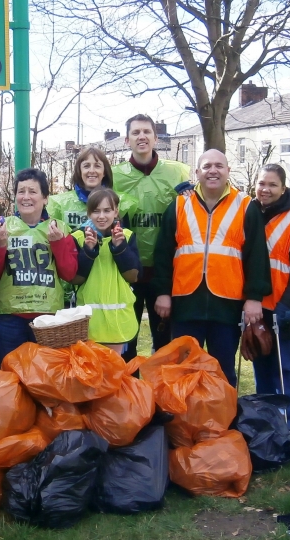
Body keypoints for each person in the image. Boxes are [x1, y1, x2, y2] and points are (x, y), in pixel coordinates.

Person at [152, 149, 271, 386]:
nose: (213, 171)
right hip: (185, 302)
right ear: (197, 173)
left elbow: (257, 254)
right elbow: (163, 253)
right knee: (184, 369)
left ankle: (222, 421)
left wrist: (254, 297)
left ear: (228, 171)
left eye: (219, 166)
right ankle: (183, 422)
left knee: (222, 369)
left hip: (227, 302)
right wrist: (162, 292)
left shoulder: (245, 206)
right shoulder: (178, 205)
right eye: (206, 166)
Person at [112, 114, 191, 360]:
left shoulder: (177, 172)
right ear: (127, 140)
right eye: (135, 132)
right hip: (127, 270)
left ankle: (163, 396)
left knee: (166, 343)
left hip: (165, 270)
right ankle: (129, 394)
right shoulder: (114, 176)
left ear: (156, 138)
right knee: (126, 340)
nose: (141, 136)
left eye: (146, 131)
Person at [0, 168, 78, 367]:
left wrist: (58, 244)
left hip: (48, 319)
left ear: (45, 198)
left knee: (46, 378)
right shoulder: (1, 227)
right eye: (21, 191)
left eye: (33, 191)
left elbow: (70, 274)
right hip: (10, 318)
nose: (26, 197)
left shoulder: (59, 228)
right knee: (10, 377)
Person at [249, 164, 290, 432]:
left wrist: (285, 304)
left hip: (286, 304)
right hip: (256, 304)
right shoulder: (250, 213)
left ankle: (289, 423)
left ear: (283, 188)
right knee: (261, 364)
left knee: (286, 369)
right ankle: (266, 418)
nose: (266, 189)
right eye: (262, 184)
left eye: (272, 185)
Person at [71, 188, 142, 353]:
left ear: (116, 211)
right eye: (96, 211)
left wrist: (120, 248)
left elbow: (133, 276)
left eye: (107, 210)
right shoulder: (78, 237)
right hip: (88, 322)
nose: (101, 216)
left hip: (118, 322)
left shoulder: (127, 236)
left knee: (112, 373)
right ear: (88, 213)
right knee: (90, 374)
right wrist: (88, 251)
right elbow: (75, 278)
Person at [47, 147, 137, 229]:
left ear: (104, 171)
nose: (92, 170)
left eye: (97, 166)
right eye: (86, 166)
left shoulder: (121, 203)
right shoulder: (61, 204)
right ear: (79, 171)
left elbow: (127, 241)